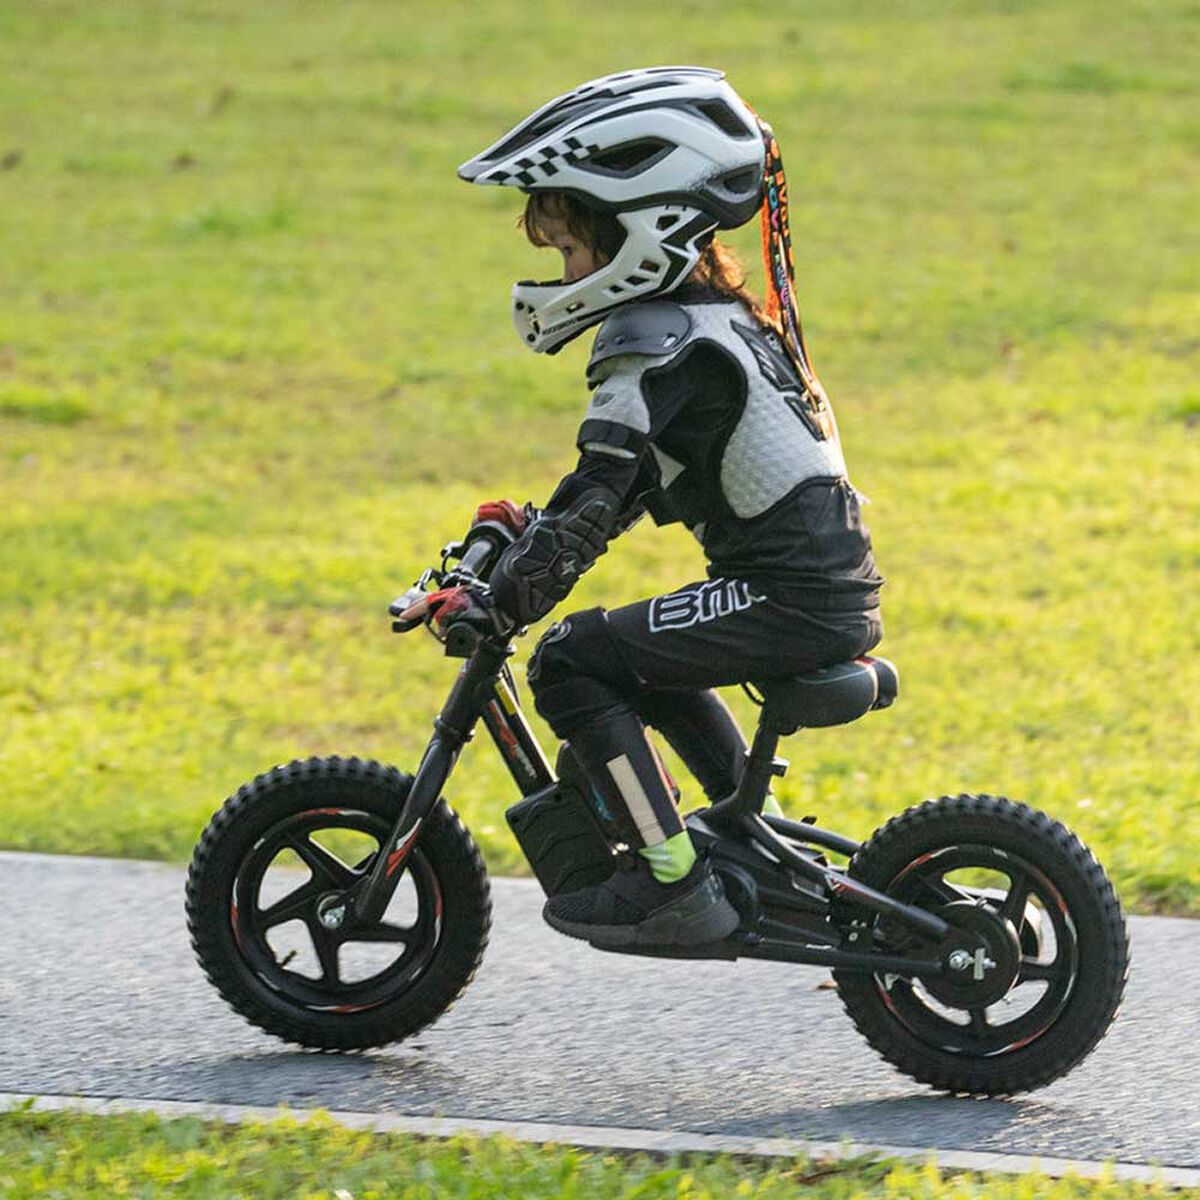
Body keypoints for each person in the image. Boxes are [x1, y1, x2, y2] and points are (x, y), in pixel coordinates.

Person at [406, 67, 883, 950]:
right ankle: (741, 830)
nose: (561, 273)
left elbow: (593, 504)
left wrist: (503, 601)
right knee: (633, 654)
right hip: (812, 588)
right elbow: (616, 490)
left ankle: (671, 882)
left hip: (789, 598)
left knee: (568, 660)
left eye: (569, 252)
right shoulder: (720, 323)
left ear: (639, 236)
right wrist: (524, 538)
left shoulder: (650, 343)